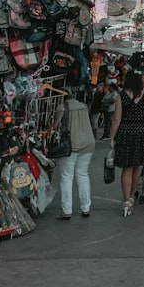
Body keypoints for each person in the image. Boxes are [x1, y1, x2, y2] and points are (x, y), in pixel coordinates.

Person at [109, 71, 144, 217]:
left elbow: (116, 118)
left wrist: (111, 138)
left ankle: (126, 198)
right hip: (143, 131)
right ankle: (132, 196)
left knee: (126, 167)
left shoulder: (121, 96)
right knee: (138, 165)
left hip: (126, 132)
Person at [55, 90, 95, 220]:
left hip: (72, 144)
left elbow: (56, 125)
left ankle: (67, 210)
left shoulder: (62, 107)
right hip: (88, 143)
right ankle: (86, 207)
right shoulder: (83, 106)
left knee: (67, 176)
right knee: (83, 174)